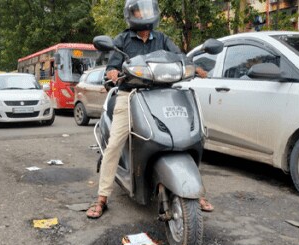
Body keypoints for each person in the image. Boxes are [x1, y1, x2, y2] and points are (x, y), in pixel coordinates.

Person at [87, 0, 213, 219]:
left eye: (146, 10)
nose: (143, 14)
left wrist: (195, 67)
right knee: (115, 143)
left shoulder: (162, 39)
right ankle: (102, 197)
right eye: (138, 10)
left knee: (190, 137)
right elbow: (111, 68)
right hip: (131, 96)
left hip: (162, 95)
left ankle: (194, 191)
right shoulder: (122, 40)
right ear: (131, 14)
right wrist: (113, 74)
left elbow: (180, 57)